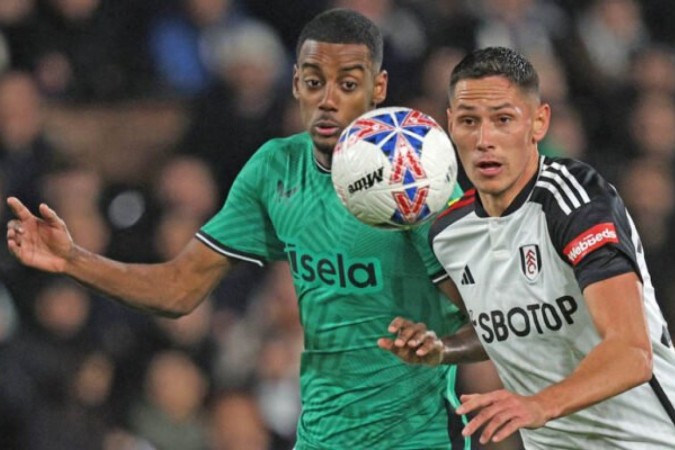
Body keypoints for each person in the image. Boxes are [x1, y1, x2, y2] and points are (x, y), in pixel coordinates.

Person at [5, 8, 499, 449]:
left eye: (348, 85)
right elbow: (179, 289)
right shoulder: (275, 170)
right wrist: (73, 260)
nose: (327, 101)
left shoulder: (412, 181)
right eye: (312, 82)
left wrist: (443, 348)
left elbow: (497, 317)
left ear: (379, 87)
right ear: (295, 83)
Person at [378, 46, 675, 448]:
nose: (484, 140)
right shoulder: (448, 233)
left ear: (538, 123)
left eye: (503, 120)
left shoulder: (577, 202)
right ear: (450, 125)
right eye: (469, 121)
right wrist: (442, 348)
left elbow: (631, 352)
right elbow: (498, 328)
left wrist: (538, 406)